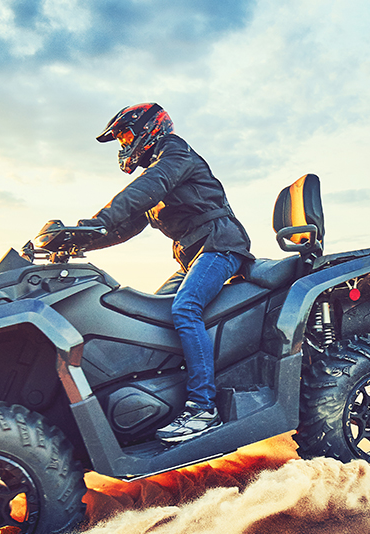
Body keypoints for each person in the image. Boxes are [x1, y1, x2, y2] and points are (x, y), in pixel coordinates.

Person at [78, 103, 253, 444]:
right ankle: (164, 400)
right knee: (154, 316)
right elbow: (126, 225)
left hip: (221, 247)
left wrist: (97, 220)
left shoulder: (175, 153)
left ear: (150, 128)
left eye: (125, 135)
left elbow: (145, 189)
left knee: (184, 309)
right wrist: (80, 239)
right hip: (193, 258)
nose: (124, 145)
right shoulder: (160, 167)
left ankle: (203, 408)